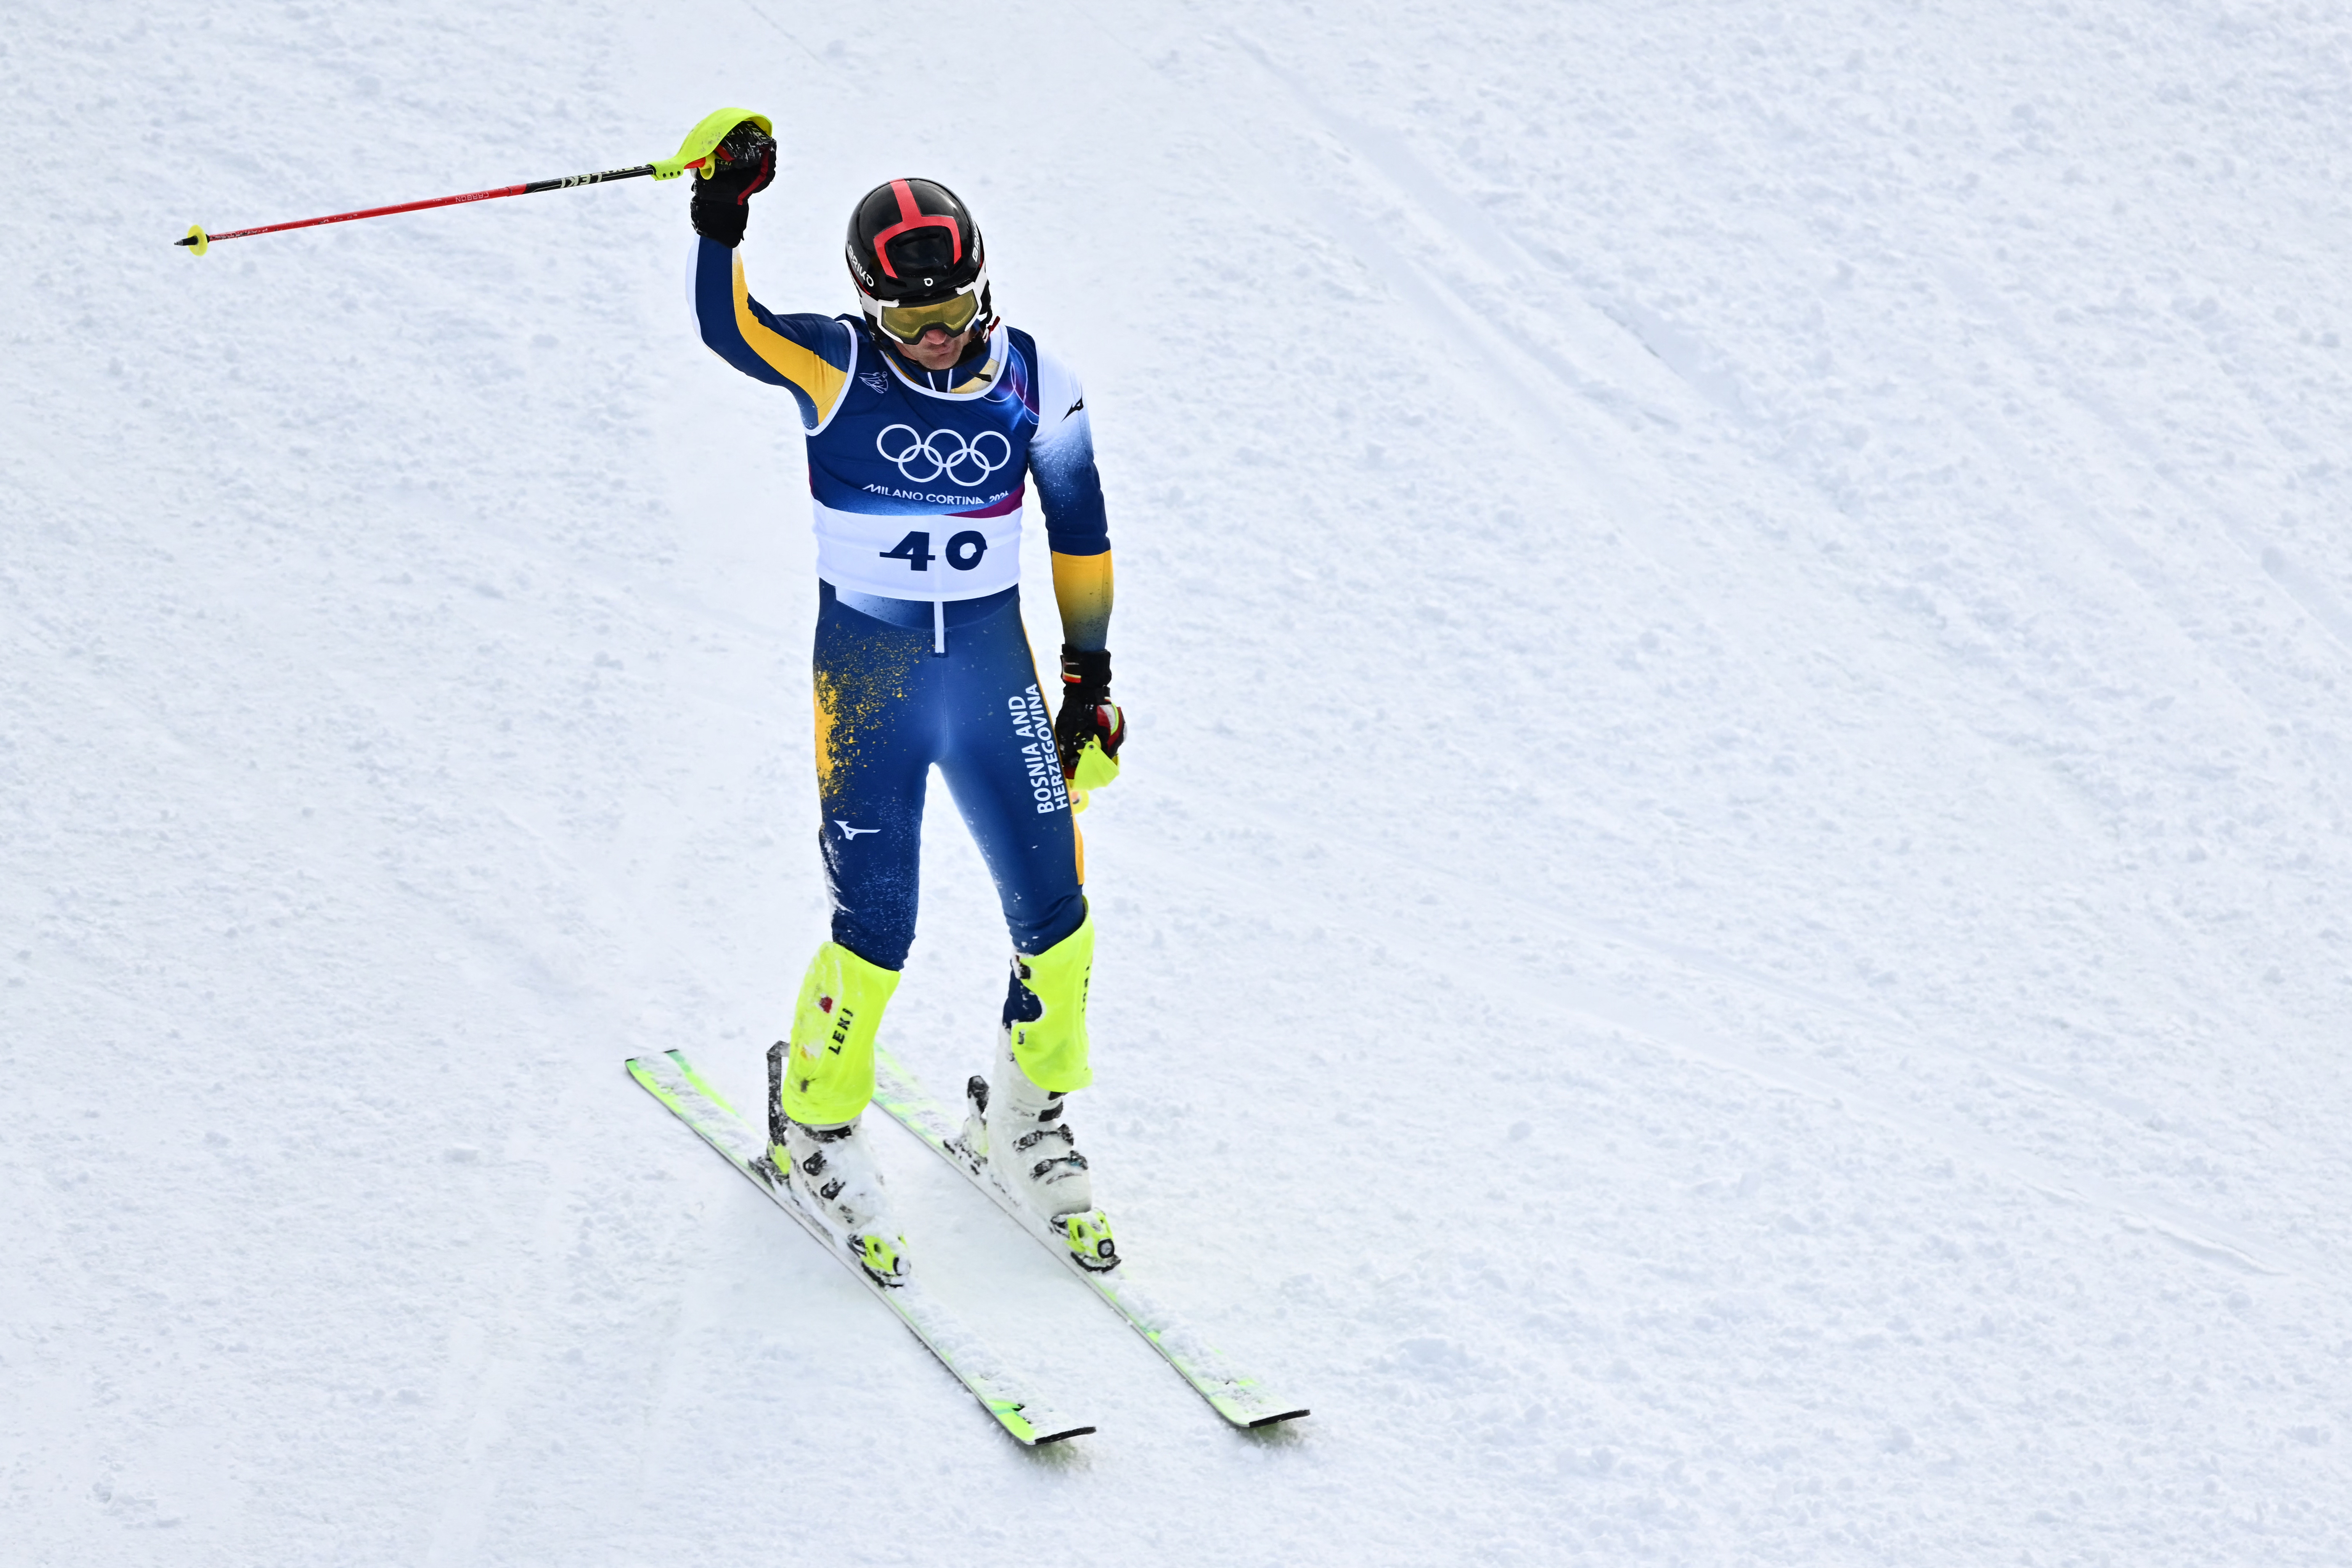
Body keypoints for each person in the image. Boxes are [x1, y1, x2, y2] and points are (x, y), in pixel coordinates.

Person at [686, 119, 1126, 1285]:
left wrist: (1090, 680)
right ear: (869, 308)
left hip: (992, 672)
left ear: (985, 285)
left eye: (952, 312)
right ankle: (814, 1121)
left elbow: (1078, 536)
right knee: (877, 924)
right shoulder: (835, 364)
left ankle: (1021, 1120)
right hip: (871, 675)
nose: (933, 340)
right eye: (906, 321)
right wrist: (720, 215)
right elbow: (729, 327)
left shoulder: (1039, 380)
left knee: (1062, 917)